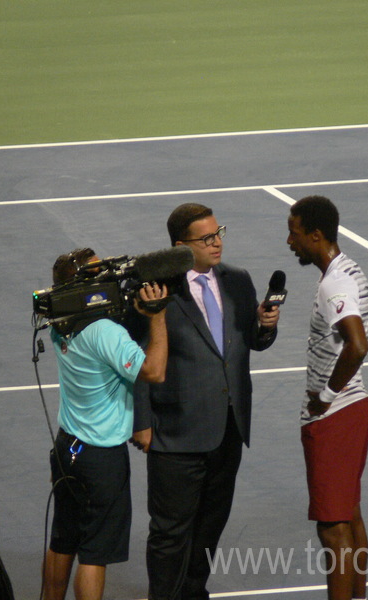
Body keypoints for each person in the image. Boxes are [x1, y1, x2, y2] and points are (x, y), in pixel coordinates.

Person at [133, 203, 280, 600]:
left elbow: (248, 342)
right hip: (175, 434)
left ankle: (194, 593)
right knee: (169, 533)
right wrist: (141, 421)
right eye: (206, 237)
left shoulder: (237, 280)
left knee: (209, 529)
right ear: (180, 246)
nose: (217, 243)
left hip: (228, 429)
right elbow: (137, 358)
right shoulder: (155, 290)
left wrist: (265, 327)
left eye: (219, 233)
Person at [42, 248, 170, 600]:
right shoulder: (104, 333)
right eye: (99, 274)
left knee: (62, 540)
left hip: (67, 447)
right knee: (95, 553)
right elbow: (154, 371)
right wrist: (156, 316)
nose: (108, 278)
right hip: (101, 459)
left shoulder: (59, 324)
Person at [286, 196, 368, 600]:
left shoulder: (334, 282)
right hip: (355, 409)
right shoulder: (351, 270)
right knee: (350, 517)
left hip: (335, 416)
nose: (290, 241)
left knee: (333, 528)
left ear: (316, 235)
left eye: (295, 232)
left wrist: (324, 395)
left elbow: (357, 344)